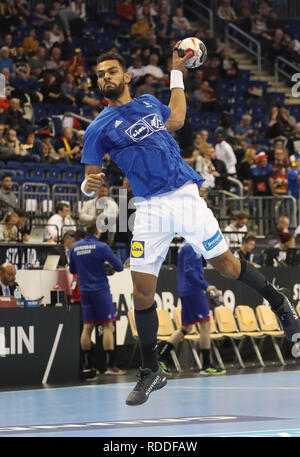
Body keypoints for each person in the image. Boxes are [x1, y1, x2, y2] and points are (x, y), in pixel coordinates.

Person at [81, 48, 300, 407]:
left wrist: (176, 73)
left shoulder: (150, 102)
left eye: (111, 71)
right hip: (148, 208)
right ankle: (151, 371)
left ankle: (280, 304)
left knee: (227, 266)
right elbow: (89, 179)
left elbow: (179, 119)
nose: (105, 77)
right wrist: (89, 186)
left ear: (125, 77)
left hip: (184, 194)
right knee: (141, 292)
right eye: (100, 74)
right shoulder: (98, 128)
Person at [157, 241, 226, 376]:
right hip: (193, 291)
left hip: (188, 290)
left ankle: (161, 357)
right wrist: (206, 286)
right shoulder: (191, 246)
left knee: (186, 328)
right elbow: (190, 273)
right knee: (205, 325)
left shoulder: (187, 245)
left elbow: (190, 271)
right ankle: (206, 365)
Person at [69, 222, 125, 378]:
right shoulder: (101, 247)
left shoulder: (75, 247)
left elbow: (72, 269)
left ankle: (87, 364)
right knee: (108, 326)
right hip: (100, 291)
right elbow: (119, 267)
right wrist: (106, 269)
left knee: (87, 328)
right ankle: (110, 366)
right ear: (98, 231)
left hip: (85, 292)